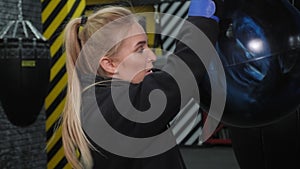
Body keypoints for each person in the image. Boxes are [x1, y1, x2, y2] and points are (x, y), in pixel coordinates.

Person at [61, 0, 221, 168]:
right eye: (139, 49)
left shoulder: (99, 100)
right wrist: (202, 22)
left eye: (148, 46)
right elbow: (177, 77)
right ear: (109, 64)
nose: (152, 56)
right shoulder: (115, 109)